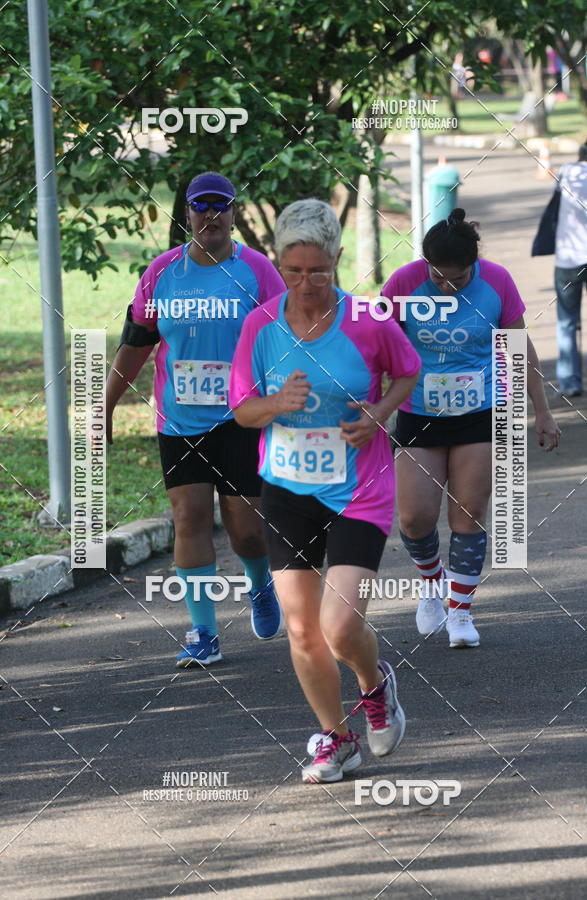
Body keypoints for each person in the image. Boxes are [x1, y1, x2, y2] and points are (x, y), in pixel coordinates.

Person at [229, 199, 421, 783]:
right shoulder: (260, 326)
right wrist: (277, 405)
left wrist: (381, 414)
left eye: (319, 271)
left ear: (338, 261)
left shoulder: (368, 319)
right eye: (294, 271)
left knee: (339, 626)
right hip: (288, 488)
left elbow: (407, 370)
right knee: (303, 628)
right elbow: (242, 411)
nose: (307, 283)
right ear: (278, 266)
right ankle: (336, 741)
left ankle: (375, 686)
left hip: (360, 488)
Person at [105, 171, 286, 667]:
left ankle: (258, 582)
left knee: (245, 529)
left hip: (241, 418)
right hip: (179, 420)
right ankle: (203, 631)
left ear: (233, 213)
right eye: (201, 206)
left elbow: (284, 340)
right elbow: (136, 344)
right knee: (189, 519)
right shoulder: (161, 273)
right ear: (186, 213)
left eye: (220, 206)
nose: (211, 215)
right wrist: (106, 404)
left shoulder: (257, 272)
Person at [381, 208, 560, 649]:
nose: (445, 286)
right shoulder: (403, 283)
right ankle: (431, 585)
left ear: (473, 265)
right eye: (437, 278)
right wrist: (373, 408)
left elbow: (519, 349)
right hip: (419, 414)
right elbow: (376, 343)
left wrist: (542, 410)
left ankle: (460, 611)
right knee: (415, 517)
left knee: (468, 514)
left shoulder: (496, 282)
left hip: (480, 413)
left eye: (456, 279)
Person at [553, 134, 587, 397]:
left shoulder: (569, 171)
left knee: (567, 321)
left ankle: (570, 382)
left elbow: (556, 200)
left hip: (568, 257)